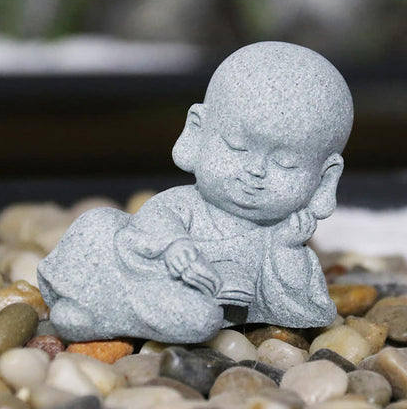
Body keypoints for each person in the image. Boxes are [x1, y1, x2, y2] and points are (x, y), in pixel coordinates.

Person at [38, 42, 354, 343]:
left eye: (286, 164)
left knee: (200, 320)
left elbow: (296, 305)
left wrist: (286, 249)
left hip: (177, 302)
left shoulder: (276, 237)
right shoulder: (188, 203)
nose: (256, 169)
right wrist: (175, 246)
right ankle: (95, 305)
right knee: (98, 222)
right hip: (140, 267)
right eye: (236, 146)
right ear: (197, 133)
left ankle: (97, 315)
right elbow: (152, 220)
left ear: (324, 178)